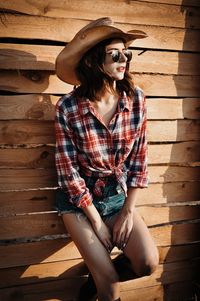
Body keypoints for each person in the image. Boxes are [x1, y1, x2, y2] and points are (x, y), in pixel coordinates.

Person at [55, 17, 159, 301]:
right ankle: (101, 278)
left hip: (116, 195)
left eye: (127, 54)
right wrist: (97, 223)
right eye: (115, 54)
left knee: (148, 262)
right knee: (111, 289)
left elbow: (139, 159)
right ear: (92, 62)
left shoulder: (136, 99)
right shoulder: (68, 107)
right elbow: (68, 172)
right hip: (79, 202)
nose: (123, 59)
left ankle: (95, 279)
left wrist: (126, 211)